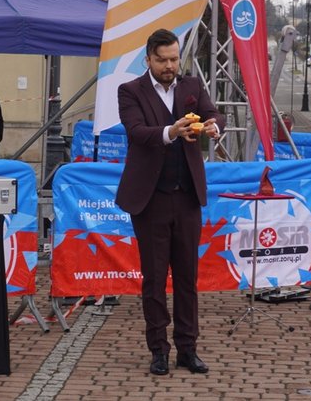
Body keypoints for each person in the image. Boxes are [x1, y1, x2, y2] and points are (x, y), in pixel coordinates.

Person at [115, 28, 225, 376]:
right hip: (151, 200)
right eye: (162, 60)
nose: (169, 66)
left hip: (187, 196)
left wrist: (214, 126)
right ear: (148, 59)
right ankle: (158, 350)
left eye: (174, 59)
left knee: (187, 277)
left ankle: (187, 349)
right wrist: (171, 131)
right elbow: (136, 132)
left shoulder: (191, 86)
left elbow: (214, 113)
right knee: (154, 278)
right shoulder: (130, 91)